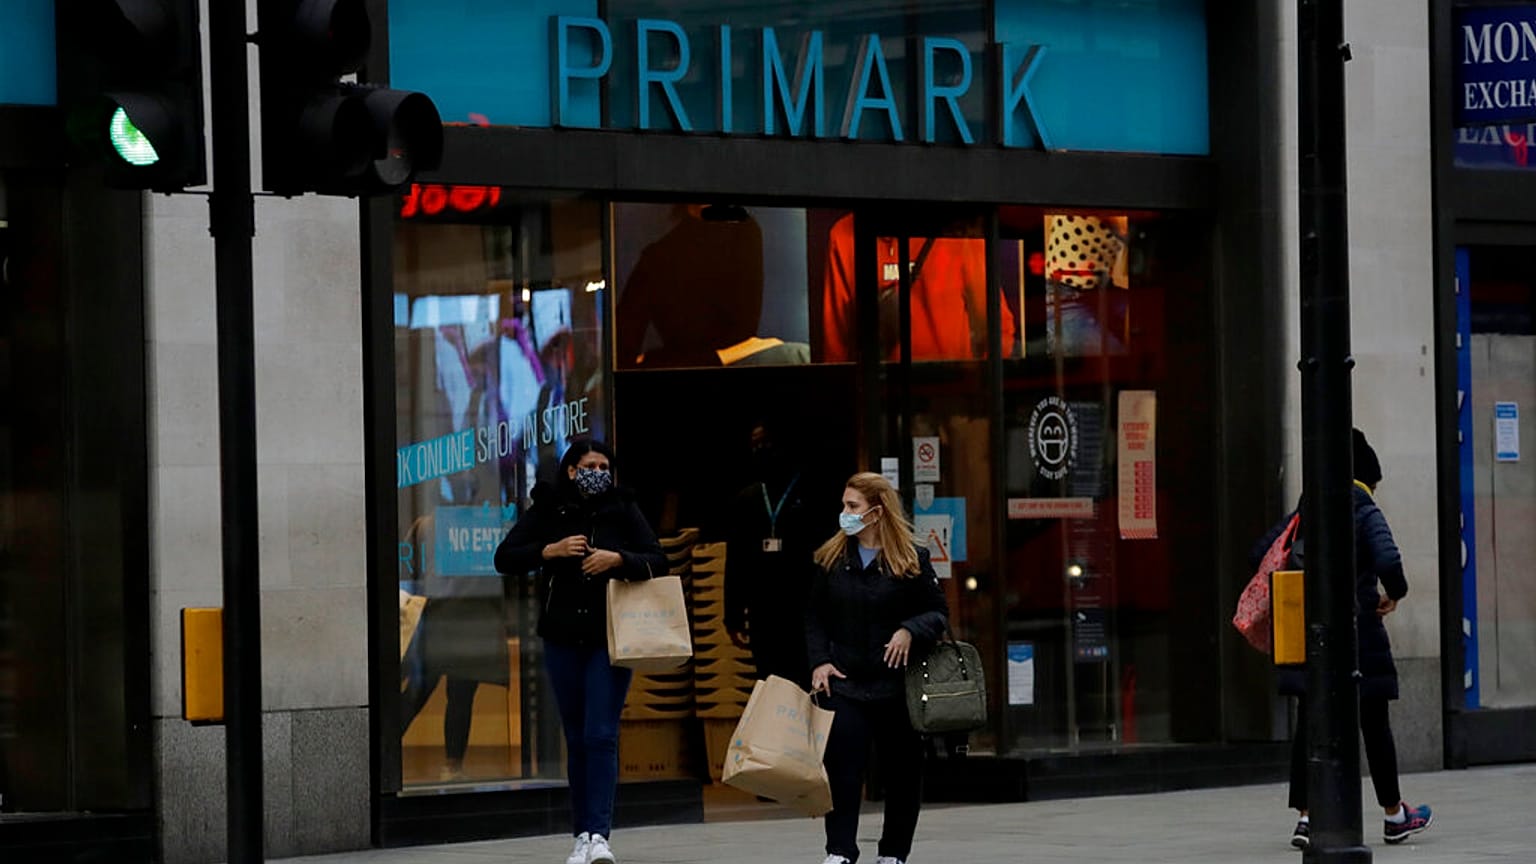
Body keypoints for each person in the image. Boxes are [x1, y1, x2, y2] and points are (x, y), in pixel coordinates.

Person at [1252, 429, 1433, 850]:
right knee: (1375, 724)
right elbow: (1389, 560)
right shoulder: (1363, 507)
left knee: (1310, 725)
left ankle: (1306, 818)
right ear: (1366, 476)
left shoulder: (1306, 508)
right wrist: (1395, 594)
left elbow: (1260, 552)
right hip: (1358, 636)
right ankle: (1394, 815)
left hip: (1311, 635)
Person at [494, 439, 667, 864]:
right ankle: (582, 835)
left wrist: (616, 559)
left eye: (605, 465)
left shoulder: (623, 507)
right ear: (572, 470)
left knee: (601, 734)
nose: (598, 472)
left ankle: (600, 835)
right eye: (590, 465)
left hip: (611, 638)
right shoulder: (550, 508)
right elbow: (505, 557)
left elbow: (658, 560)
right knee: (576, 737)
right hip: (562, 636)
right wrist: (549, 551)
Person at [806, 472, 948, 864]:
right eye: (844, 505)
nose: (845, 513)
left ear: (877, 512)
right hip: (846, 681)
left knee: (902, 773)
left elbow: (938, 613)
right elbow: (814, 617)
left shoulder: (911, 559)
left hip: (896, 685)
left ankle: (893, 854)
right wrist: (820, 662)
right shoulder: (832, 558)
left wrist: (908, 630)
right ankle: (840, 851)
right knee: (843, 769)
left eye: (853, 506)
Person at [724, 421, 816, 688]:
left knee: (804, 679)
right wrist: (733, 614)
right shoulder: (747, 499)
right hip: (762, 609)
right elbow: (736, 561)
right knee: (768, 681)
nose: (762, 450)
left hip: (802, 606)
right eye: (756, 445)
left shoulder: (808, 492)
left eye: (767, 444)